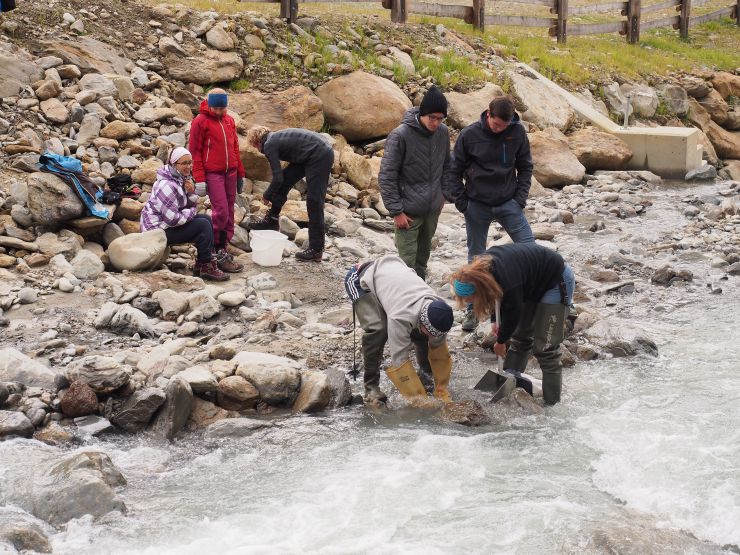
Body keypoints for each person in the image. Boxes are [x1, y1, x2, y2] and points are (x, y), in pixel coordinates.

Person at [446, 95, 535, 332]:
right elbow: (453, 170)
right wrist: (462, 202)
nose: (499, 129)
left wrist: (519, 200)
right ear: (488, 114)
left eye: (503, 126)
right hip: (477, 204)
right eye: (496, 125)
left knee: (529, 247)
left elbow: (525, 166)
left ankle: (535, 300)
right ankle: (472, 312)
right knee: (476, 259)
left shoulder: (516, 132)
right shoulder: (470, 134)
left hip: (509, 203)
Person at [449, 243, 574, 405]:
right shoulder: (482, 269)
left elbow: (513, 313)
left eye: (471, 300)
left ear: (480, 288)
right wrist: (495, 321)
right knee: (521, 339)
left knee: (546, 349)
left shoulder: (508, 281)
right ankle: (510, 382)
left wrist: (501, 342)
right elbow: (495, 297)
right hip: (530, 284)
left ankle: (552, 405)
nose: (469, 303)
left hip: (556, 281)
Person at [344, 255, 455, 404]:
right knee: (379, 330)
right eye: (430, 332)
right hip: (360, 278)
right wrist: (418, 399)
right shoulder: (401, 316)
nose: (433, 336)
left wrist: (441, 388)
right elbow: (399, 360)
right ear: (422, 320)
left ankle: (426, 375)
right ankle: (371, 387)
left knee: (422, 335)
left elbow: (439, 350)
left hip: (392, 280)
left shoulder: (440, 311)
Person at [379, 85, 452, 280]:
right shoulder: (400, 135)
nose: (436, 123)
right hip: (407, 211)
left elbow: (447, 166)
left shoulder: (443, 133)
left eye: (440, 118)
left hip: (432, 209)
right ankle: (403, 302)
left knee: (422, 259)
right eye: (432, 118)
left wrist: (443, 195)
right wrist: (396, 211)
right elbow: (387, 175)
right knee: (406, 262)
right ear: (423, 113)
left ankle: (421, 299)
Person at [246, 126, 335, 262]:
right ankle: (272, 220)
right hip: (309, 154)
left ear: (257, 142)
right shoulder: (274, 138)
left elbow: (277, 178)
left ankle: (316, 250)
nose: (258, 151)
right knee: (285, 182)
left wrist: (267, 195)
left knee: (314, 200)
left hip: (320, 155)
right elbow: (281, 179)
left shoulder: (269, 144)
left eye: (255, 147)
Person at [140, 147, 228, 281]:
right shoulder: (167, 185)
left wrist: (191, 192)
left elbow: (188, 204)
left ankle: (202, 264)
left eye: (190, 162)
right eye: (184, 163)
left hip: (164, 226)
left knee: (205, 219)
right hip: (155, 232)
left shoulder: (179, 179)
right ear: (174, 164)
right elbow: (173, 220)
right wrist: (192, 211)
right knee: (202, 225)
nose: (189, 166)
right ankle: (207, 266)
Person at [188, 88, 245, 273]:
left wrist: (240, 173)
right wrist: (199, 179)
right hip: (213, 173)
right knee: (220, 210)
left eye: (223, 108)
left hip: (230, 172)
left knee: (229, 211)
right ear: (209, 105)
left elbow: (235, 147)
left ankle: (222, 248)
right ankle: (211, 248)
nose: (219, 112)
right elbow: (195, 152)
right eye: (216, 108)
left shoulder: (229, 120)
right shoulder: (200, 121)